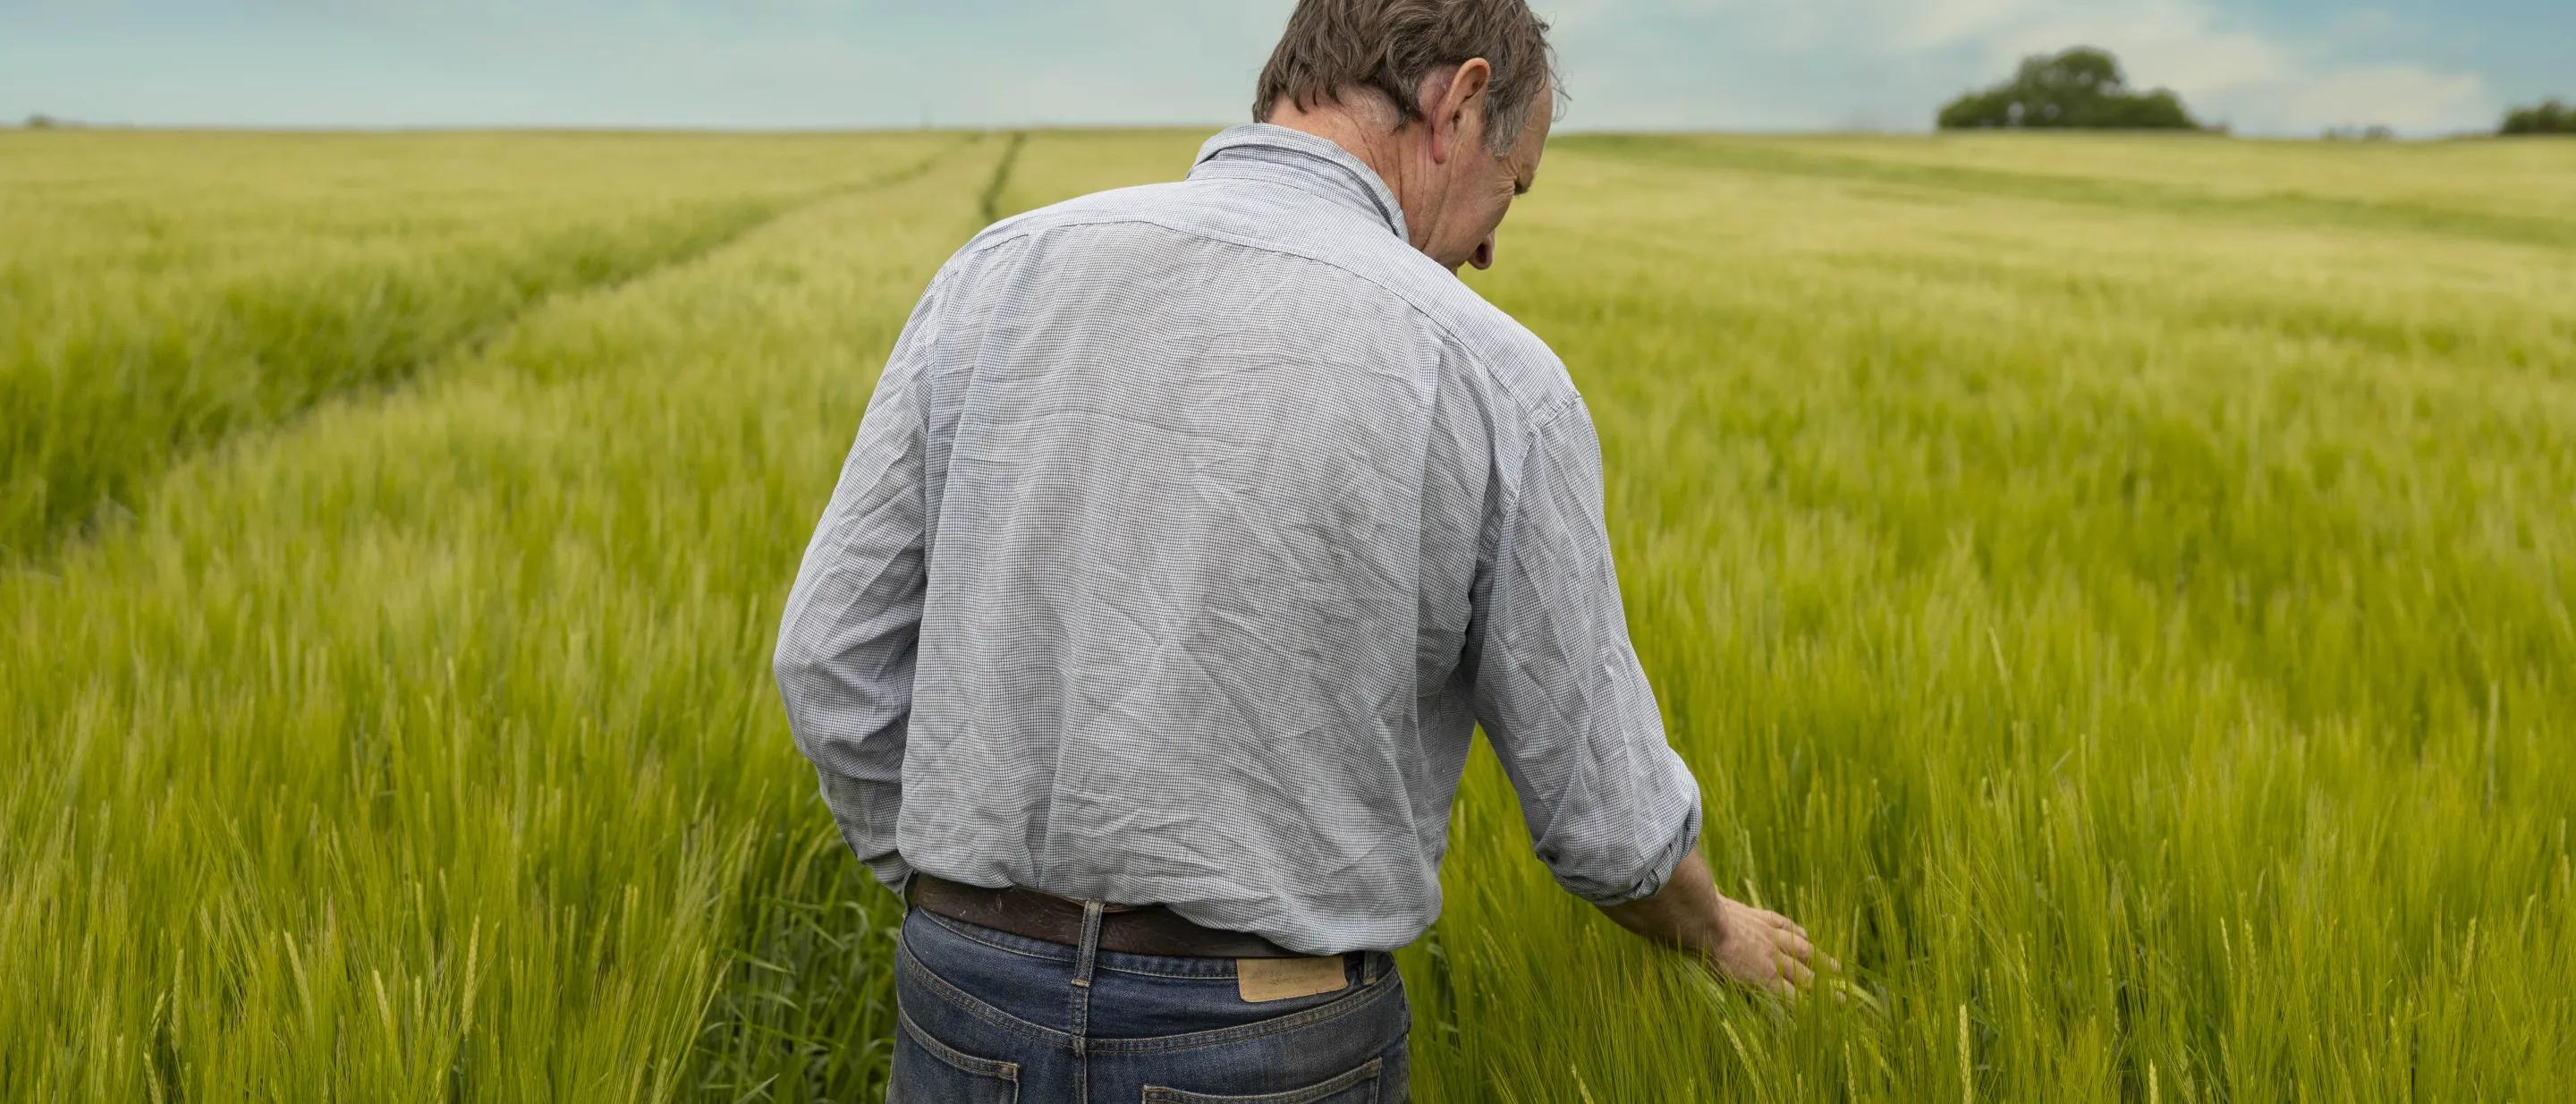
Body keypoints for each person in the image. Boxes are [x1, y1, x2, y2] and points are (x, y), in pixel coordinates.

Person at [774, 1, 1816, 1099]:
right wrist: (1715, 933)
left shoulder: (994, 276)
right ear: (1457, 103)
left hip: (963, 997)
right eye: (1513, 185)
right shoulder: (1493, 377)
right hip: (1268, 1039)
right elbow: (1603, 810)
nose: (1496, 244)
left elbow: (830, 659)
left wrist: (972, 899)